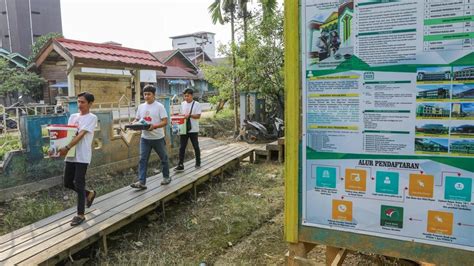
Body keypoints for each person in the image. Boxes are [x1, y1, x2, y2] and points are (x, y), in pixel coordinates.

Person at [56, 92, 98, 226]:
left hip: (82, 155)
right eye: (78, 102)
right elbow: (69, 134)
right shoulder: (73, 117)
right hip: (71, 154)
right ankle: (89, 194)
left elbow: (80, 135)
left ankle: (80, 214)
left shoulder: (92, 117)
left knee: (79, 183)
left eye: (83, 102)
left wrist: (67, 147)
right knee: (67, 182)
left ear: (90, 104)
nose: (79, 104)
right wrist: (57, 147)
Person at [130, 85, 171, 189]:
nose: (146, 96)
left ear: (154, 95)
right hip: (145, 138)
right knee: (142, 160)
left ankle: (166, 177)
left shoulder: (159, 106)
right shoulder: (141, 107)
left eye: (149, 94)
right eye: (145, 94)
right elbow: (137, 119)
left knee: (164, 158)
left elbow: (165, 121)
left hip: (158, 138)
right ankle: (141, 182)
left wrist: (154, 126)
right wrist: (133, 123)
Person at [174, 88, 202, 172]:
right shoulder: (182, 104)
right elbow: (182, 115)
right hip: (184, 128)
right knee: (182, 147)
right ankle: (180, 164)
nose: (186, 97)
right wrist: (177, 116)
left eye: (188, 96)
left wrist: (189, 115)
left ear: (192, 96)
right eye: (185, 96)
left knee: (195, 146)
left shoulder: (196, 104)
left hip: (193, 129)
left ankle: (198, 162)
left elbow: (198, 116)